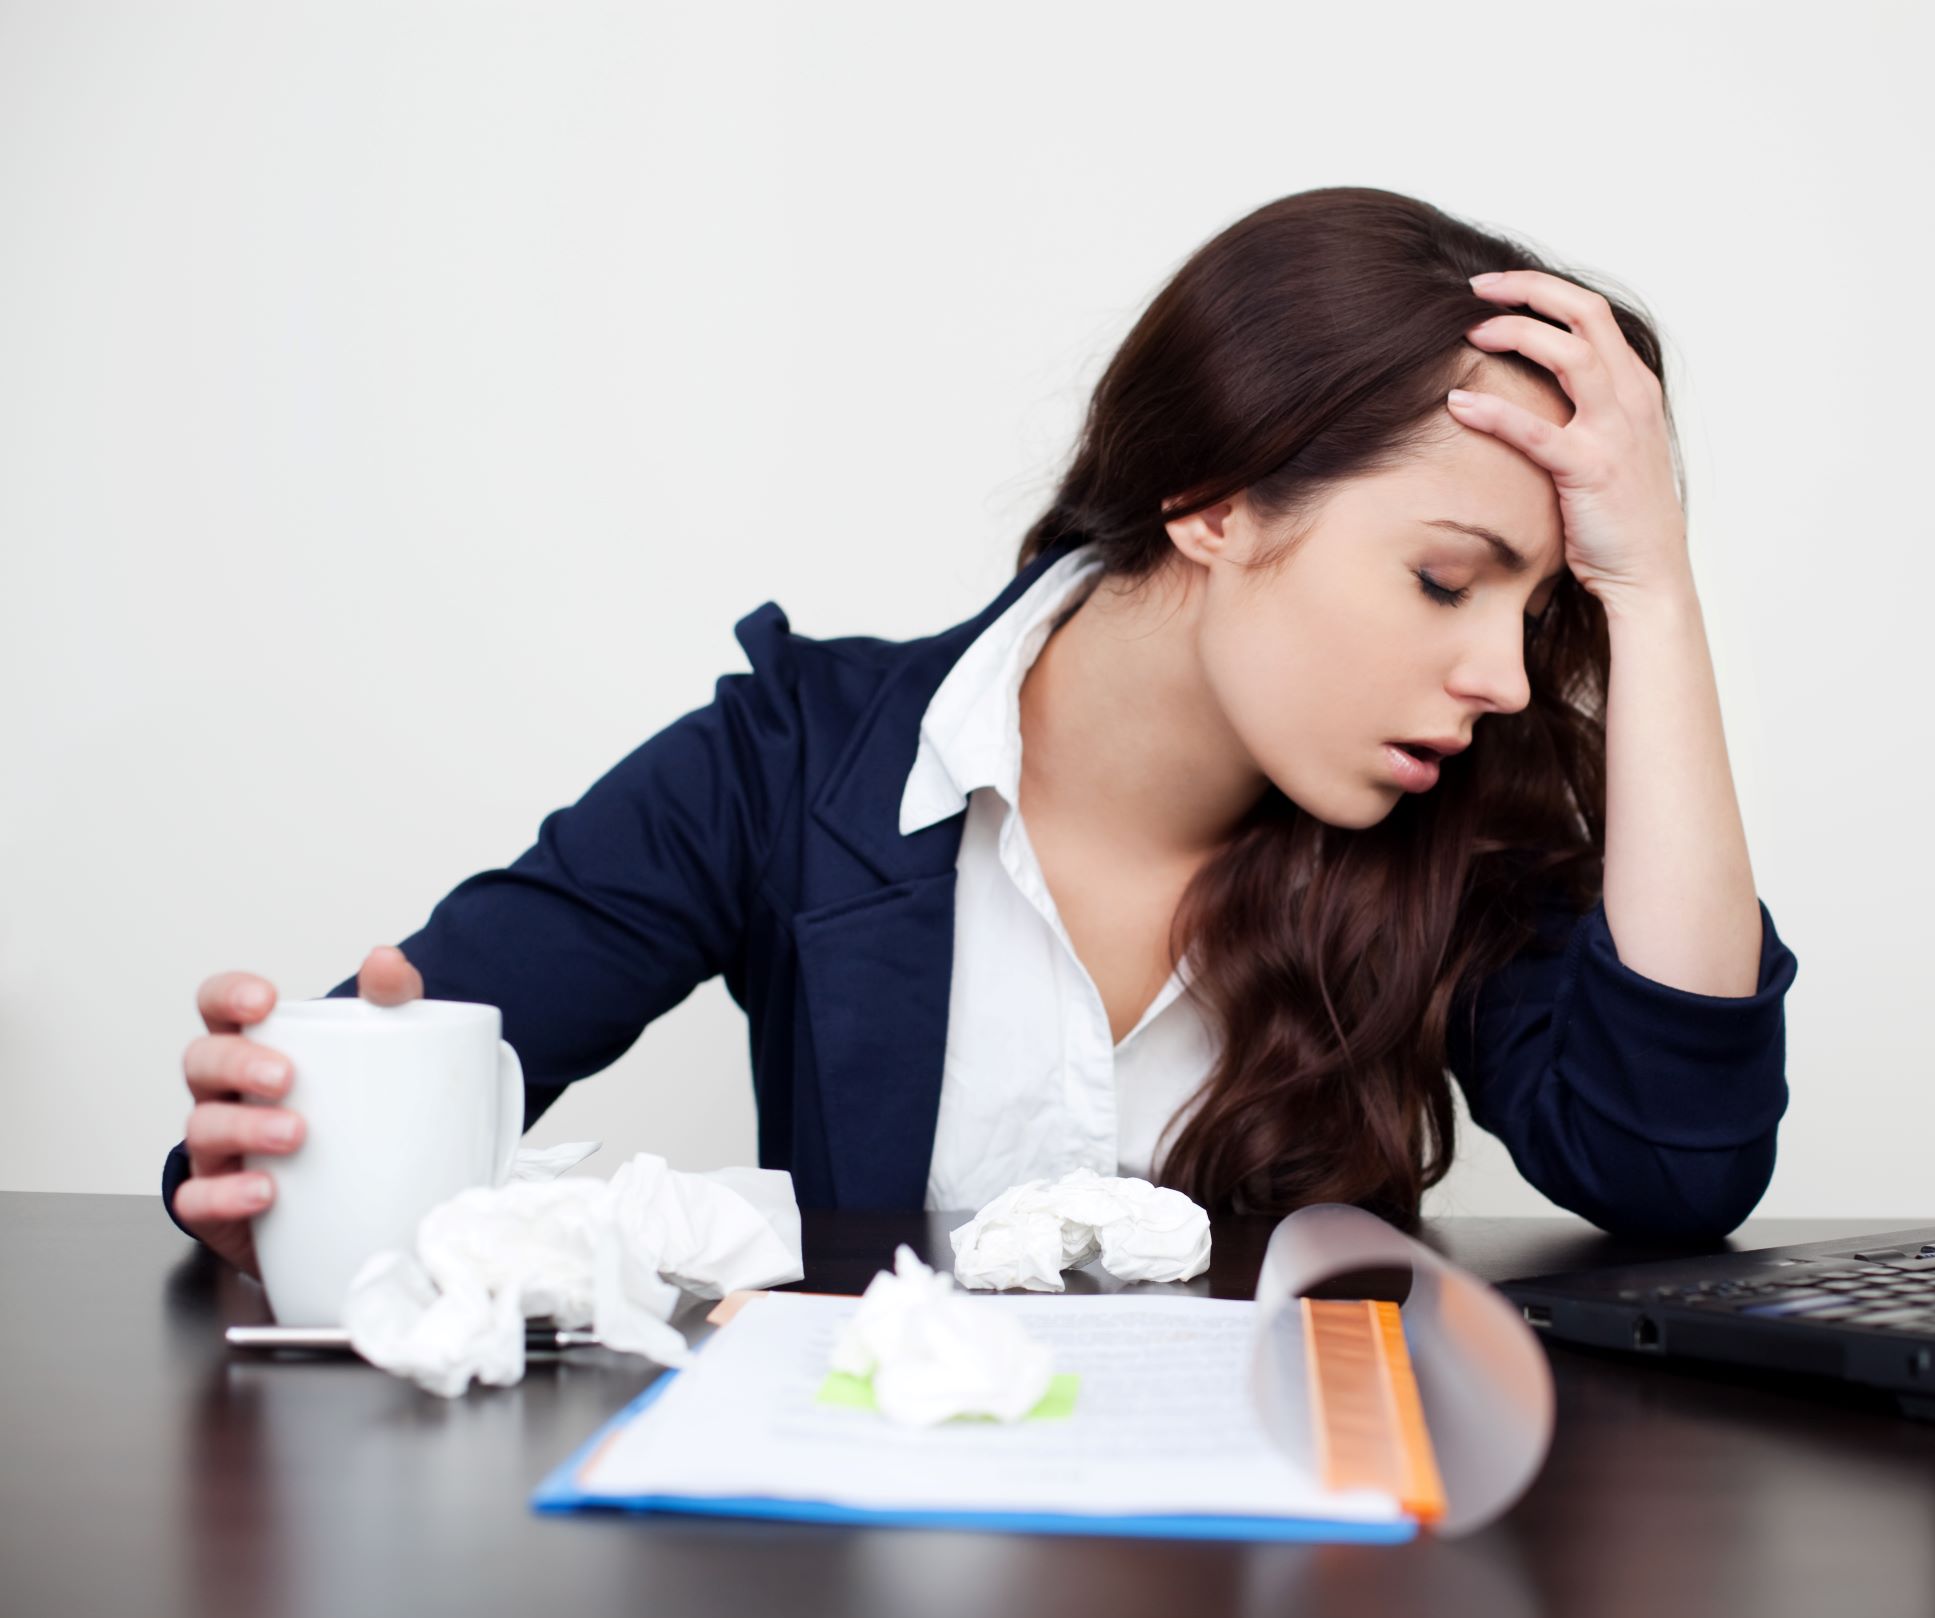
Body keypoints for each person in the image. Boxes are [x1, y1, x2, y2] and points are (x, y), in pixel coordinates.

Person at [166, 185, 1799, 1280]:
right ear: (1217, 503)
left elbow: (1674, 1166)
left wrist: (1648, 591)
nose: (1505, 678)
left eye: (1539, 614)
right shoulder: (794, 762)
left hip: (1287, 1593)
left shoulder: (1462, 817)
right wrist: (276, 1165)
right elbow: (361, 1077)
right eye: (1447, 579)